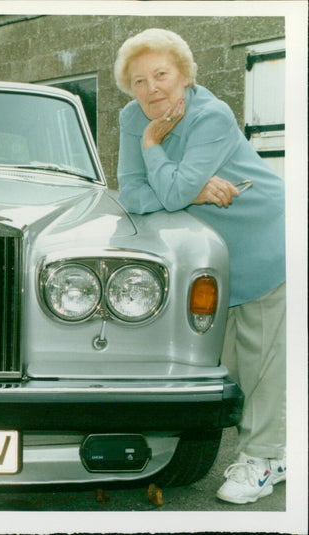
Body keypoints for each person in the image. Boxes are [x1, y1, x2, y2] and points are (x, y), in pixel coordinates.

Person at [113, 28, 286, 504]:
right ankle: (274, 448)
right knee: (223, 365)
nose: (152, 89)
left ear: (186, 76)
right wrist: (195, 186)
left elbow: (165, 194)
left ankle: (265, 460)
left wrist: (152, 147)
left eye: (162, 75)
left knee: (263, 363)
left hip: (262, 241)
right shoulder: (133, 116)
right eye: (139, 80)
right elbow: (130, 192)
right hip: (208, 260)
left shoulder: (211, 115)